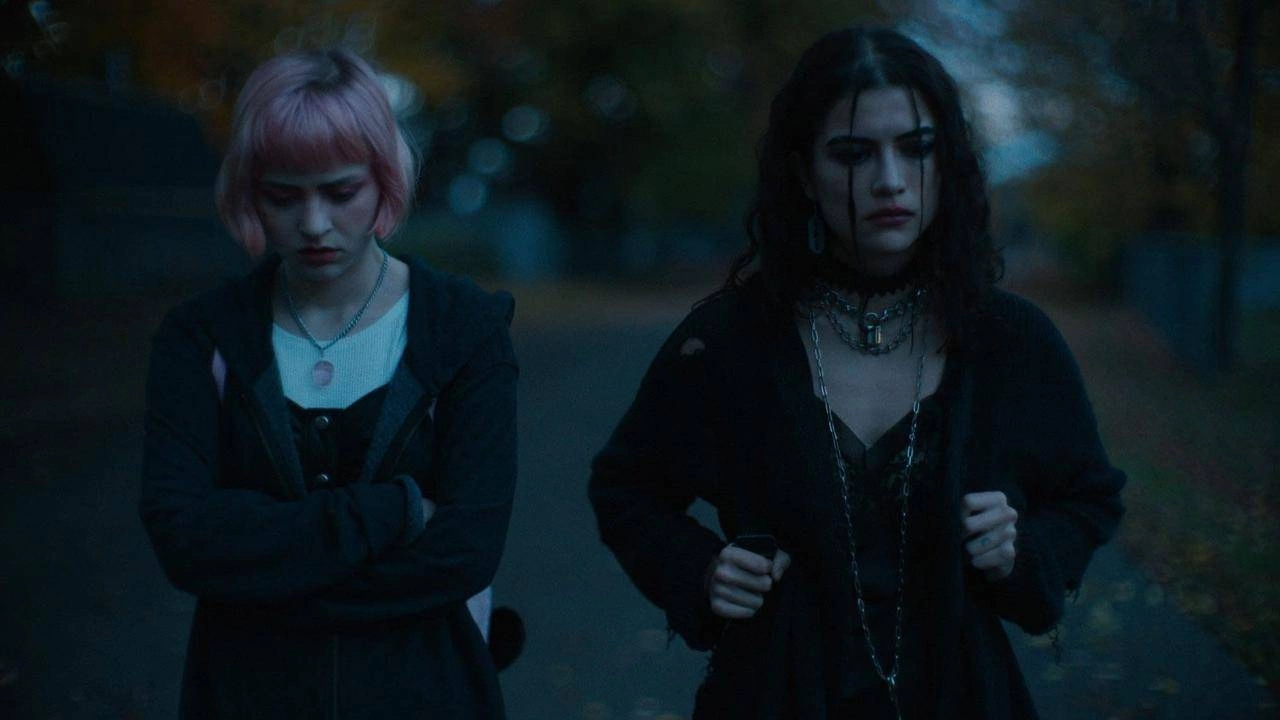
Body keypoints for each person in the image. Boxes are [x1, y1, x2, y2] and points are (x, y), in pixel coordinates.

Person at [589, 27, 1124, 719]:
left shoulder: (1008, 339)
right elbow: (626, 485)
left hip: (961, 695)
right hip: (774, 697)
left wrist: (1021, 550)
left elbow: (1089, 496)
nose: (890, 180)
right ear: (804, 174)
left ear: (946, 162)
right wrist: (699, 570)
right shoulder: (730, 340)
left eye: (916, 148)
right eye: (853, 154)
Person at [140, 48, 518, 719]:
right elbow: (184, 538)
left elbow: (466, 551)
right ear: (249, 191)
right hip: (246, 699)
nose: (314, 224)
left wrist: (262, 579)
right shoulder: (202, 338)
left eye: (341, 193)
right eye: (283, 197)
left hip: (427, 696)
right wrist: (395, 512)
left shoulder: (464, 330)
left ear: (384, 180)